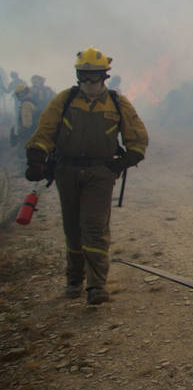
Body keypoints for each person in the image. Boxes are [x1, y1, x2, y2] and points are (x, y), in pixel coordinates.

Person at [24, 47, 149, 305]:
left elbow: (137, 138)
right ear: (78, 77)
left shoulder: (117, 103)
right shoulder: (65, 100)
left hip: (100, 174)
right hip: (66, 171)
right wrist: (36, 158)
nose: (90, 83)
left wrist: (123, 162)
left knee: (93, 226)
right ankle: (73, 279)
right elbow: (45, 130)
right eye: (84, 77)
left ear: (105, 77)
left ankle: (96, 286)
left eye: (95, 77)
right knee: (72, 228)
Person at [10, 84, 38, 151]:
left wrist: (23, 134)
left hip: (27, 134)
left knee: (22, 153)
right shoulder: (31, 101)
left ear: (22, 93)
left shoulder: (26, 104)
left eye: (18, 94)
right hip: (33, 131)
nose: (18, 96)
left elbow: (27, 124)